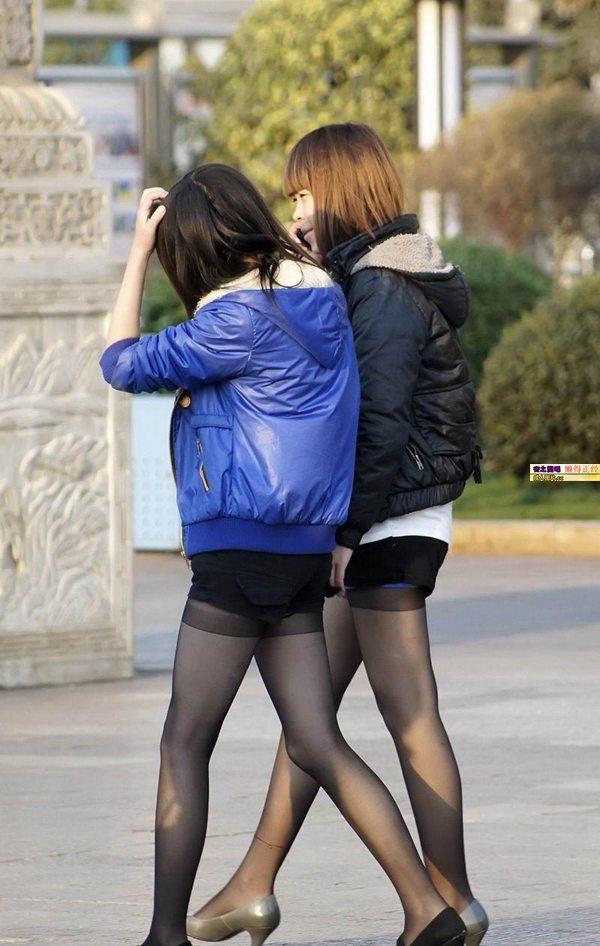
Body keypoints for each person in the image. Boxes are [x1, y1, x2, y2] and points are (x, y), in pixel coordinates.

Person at [98, 163, 468, 946]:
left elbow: (121, 362)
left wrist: (135, 254)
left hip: (238, 546)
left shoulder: (234, 319)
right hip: (305, 551)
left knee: (184, 741)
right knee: (316, 739)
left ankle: (164, 936)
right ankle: (428, 909)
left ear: (198, 243)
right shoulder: (326, 298)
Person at [189, 127, 489, 946]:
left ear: (341, 191)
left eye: (303, 194)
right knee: (311, 717)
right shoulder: (366, 276)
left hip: (384, 523)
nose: (295, 211)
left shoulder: (383, 287)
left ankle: (451, 901)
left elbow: (379, 423)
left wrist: (346, 534)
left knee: (409, 713)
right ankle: (254, 884)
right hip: (380, 519)